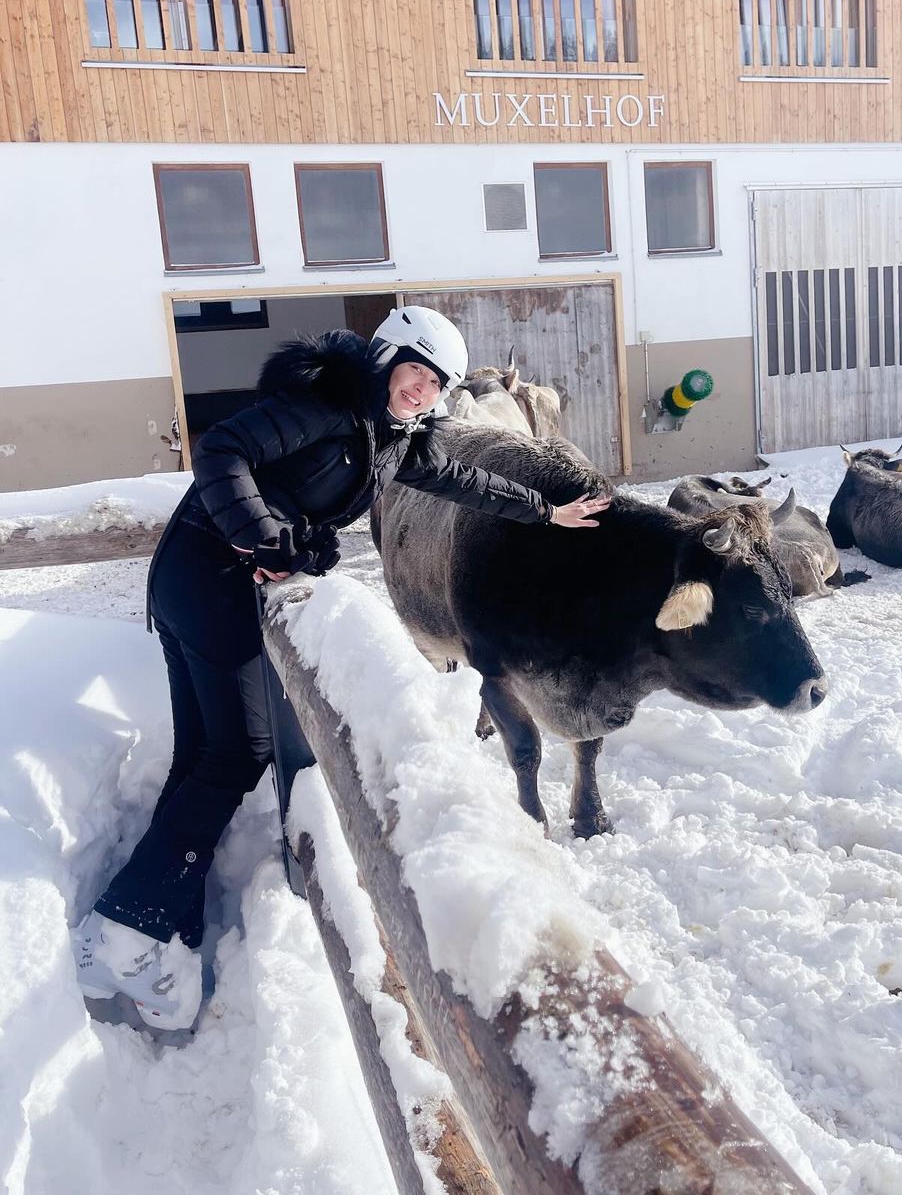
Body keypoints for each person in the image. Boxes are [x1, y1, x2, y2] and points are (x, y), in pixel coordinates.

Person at [72, 307, 609, 1028]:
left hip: (214, 580)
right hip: (207, 576)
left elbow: (465, 481)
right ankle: (126, 926)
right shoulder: (327, 406)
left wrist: (548, 513)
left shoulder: (391, 437)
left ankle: (156, 919)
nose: (420, 389)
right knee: (238, 752)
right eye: (413, 371)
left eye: (435, 382)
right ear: (386, 359)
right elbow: (223, 452)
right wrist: (266, 541)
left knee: (208, 752)